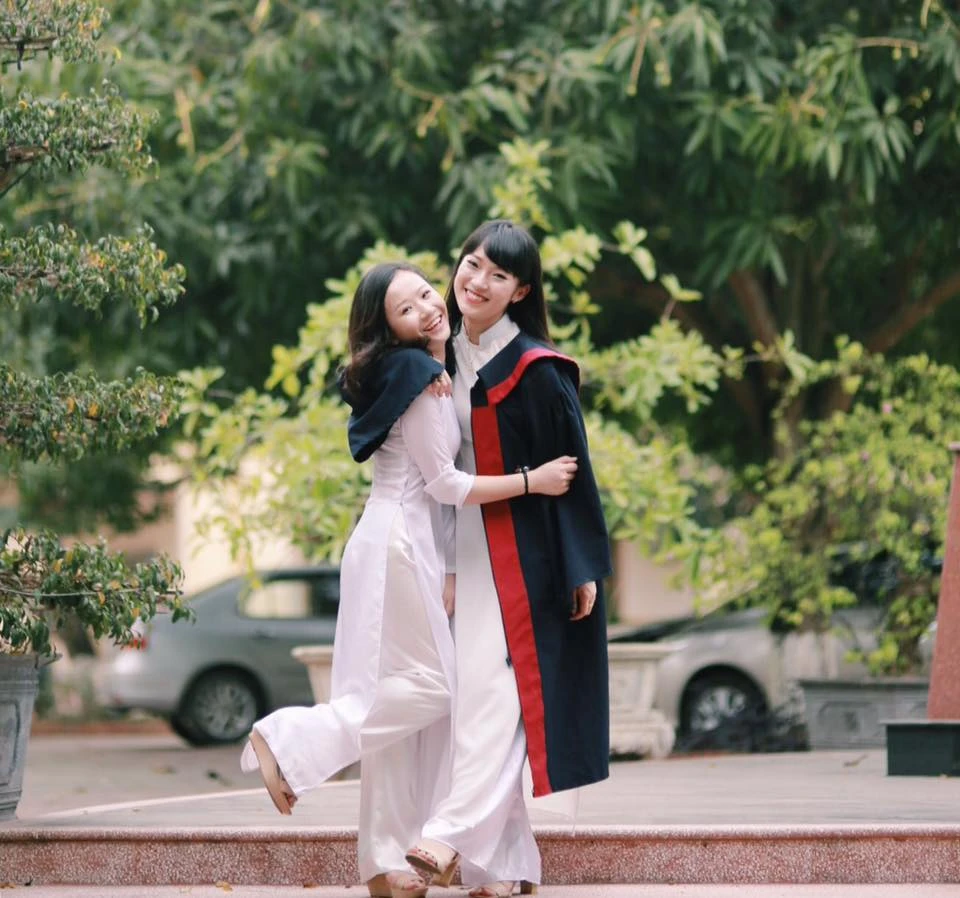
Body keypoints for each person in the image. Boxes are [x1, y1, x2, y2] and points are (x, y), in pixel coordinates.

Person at [240, 261, 578, 898]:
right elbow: (444, 485)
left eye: (425, 293)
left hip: (405, 542)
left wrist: (448, 566)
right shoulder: (419, 379)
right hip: (399, 543)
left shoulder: (425, 369)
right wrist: (532, 481)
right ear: (388, 329)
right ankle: (289, 739)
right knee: (433, 690)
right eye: (406, 309)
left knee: (407, 705)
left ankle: (385, 864)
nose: (427, 308)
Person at [404, 221, 612, 898]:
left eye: (498, 275)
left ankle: (448, 834)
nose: (478, 281)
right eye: (472, 264)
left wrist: (581, 566)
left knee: (497, 696)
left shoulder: (538, 370)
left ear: (520, 291)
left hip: (526, 555)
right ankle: (504, 867)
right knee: (474, 697)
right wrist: (444, 565)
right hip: (462, 547)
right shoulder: (439, 357)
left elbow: (575, 472)